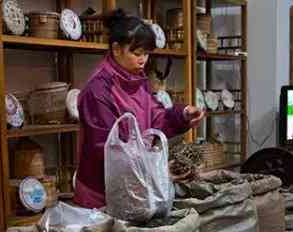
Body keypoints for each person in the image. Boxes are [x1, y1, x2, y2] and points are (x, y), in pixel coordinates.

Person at [73, 9, 205, 209]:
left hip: (136, 182)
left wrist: (183, 114)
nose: (143, 60)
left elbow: (156, 117)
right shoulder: (98, 90)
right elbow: (109, 149)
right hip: (103, 190)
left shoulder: (137, 80)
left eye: (147, 53)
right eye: (137, 53)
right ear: (116, 49)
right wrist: (154, 170)